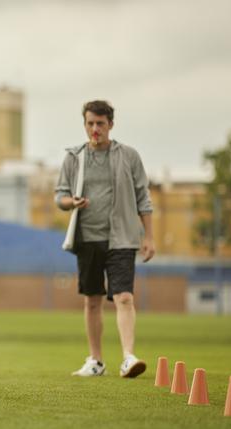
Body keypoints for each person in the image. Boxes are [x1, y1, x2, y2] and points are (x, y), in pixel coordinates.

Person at [55, 100, 154, 378]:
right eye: (90, 123)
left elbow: (143, 198)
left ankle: (128, 357)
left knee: (124, 297)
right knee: (93, 299)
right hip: (87, 238)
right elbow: (59, 196)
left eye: (100, 123)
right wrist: (70, 202)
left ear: (110, 124)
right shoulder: (74, 158)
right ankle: (96, 361)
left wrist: (150, 237)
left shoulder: (129, 156)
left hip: (122, 238)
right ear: (85, 124)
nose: (95, 129)